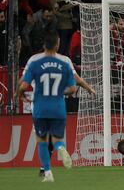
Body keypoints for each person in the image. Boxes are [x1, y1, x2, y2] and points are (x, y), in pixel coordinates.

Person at [17, 31, 76, 182]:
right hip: (58, 107)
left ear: (44, 45)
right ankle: (60, 148)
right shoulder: (64, 64)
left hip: (40, 107)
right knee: (57, 138)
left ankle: (48, 173)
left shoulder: (35, 63)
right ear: (57, 45)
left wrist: (20, 93)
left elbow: (23, 85)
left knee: (42, 140)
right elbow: (73, 89)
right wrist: (60, 91)